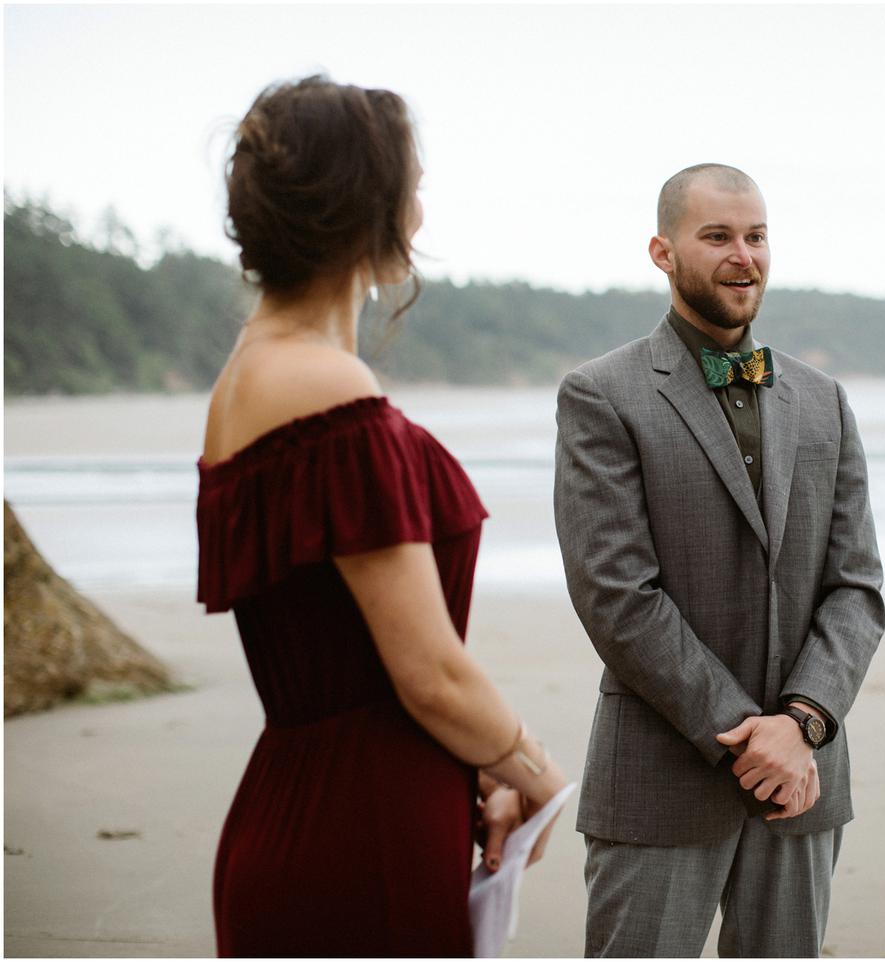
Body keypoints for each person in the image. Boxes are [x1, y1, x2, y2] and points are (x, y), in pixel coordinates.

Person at [196, 75, 567, 957]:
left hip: (304, 809)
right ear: (370, 208)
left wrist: (477, 760)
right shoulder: (323, 387)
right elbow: (427, 672)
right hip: (360, 840)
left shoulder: (252, 372)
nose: (422, 213)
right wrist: (536, 771)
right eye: (414, 188)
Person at [553, 163, 885, 957]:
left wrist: (800, 725)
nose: (744, 255)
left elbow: (857, 587)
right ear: (663, 252)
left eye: (756, 236)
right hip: (661, 780)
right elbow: (617, 596)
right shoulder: (601, 395)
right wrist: (749, 737)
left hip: (801, 782)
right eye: (718, 237)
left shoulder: (824, 400)